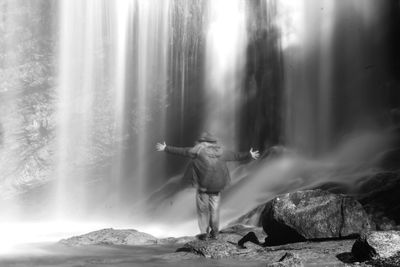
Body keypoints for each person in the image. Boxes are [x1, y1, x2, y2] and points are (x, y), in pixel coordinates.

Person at [156, 132, 259, 240]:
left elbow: (183, 151)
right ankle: (214, 233)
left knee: (202, 211)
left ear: (204, 143)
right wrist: (249, 154)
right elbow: (236, 156)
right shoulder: (222, 152)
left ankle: (204, 233)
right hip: (217, 186)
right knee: (214, 211)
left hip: (203, 186)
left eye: (201, 142)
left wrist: (166, 148)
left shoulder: (198, 151)